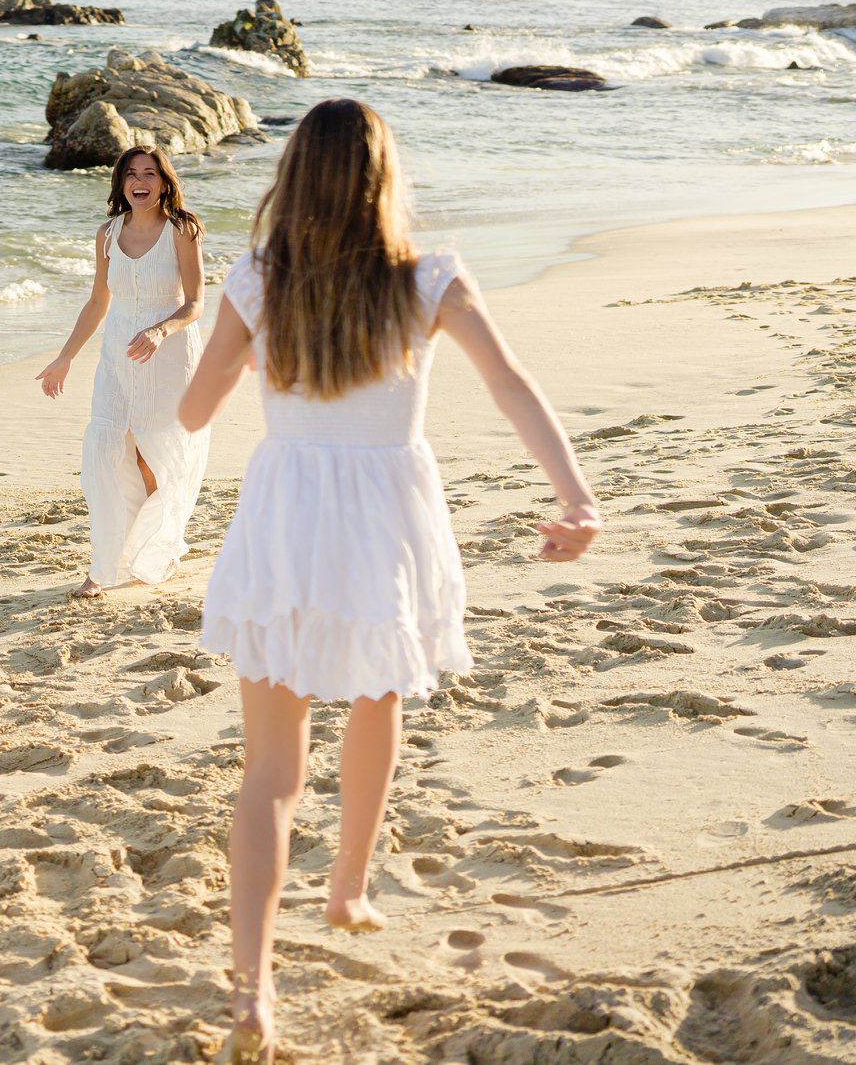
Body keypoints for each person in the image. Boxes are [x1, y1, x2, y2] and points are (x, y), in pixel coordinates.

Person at [173, 98, 601, 1065]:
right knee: (377, 693)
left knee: (271, 771)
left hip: (287, 518)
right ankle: (348, 888)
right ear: (383, 181)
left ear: (294, 179)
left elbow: (196, 412)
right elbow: (512, 383)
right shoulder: (429, 278)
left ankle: (253, 988)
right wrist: (575, 496)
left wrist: (234, 354)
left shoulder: (259, 281)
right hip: (384, 522)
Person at [37, 144, 211, 599]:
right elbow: (98, 303)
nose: (141, 181)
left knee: (156, 456)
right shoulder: (107, 234)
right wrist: (66, 356)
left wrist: (160, 331)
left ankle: (160, 548)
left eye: (150, 173)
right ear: (121, 183)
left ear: (164, 181)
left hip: (169, 356)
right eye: (132, 173)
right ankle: (105, 565)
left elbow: (195, 304)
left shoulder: (182, 231)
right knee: (109, 454)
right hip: (118, 357)